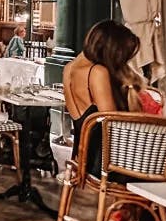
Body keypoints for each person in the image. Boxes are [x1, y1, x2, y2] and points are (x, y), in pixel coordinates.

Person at [63, 19, 147, 179]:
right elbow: (113, 123)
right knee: (159, 163)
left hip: (83, 157)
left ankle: (132, 204)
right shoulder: (97, 72)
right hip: (104, 162)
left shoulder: (69, 68)